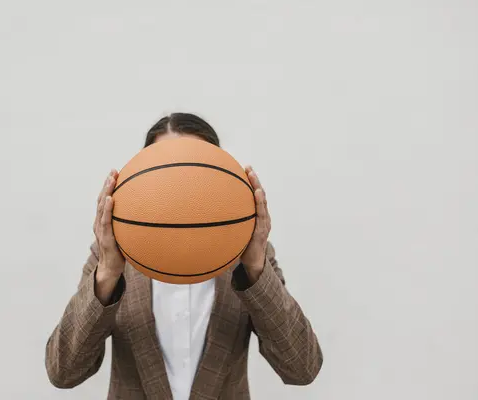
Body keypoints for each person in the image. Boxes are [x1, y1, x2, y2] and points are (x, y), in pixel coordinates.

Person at [45, 113, 323, 399]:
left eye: (193, 178)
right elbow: (63, 372)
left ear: (219, 180)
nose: (182, 191)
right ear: (143, 183)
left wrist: (255, 267)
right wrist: (106, 275)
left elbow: (301, 368)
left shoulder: (250, 257)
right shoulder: (109, 258)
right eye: (168, 175)